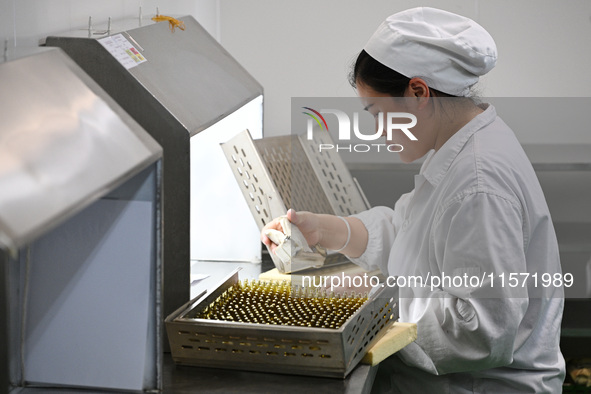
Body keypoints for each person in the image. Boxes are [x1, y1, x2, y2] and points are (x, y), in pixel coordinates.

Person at [262, 7, 565, 394]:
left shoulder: (478, 182)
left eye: (376, 112)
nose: (375, 130)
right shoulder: (461, 143)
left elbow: (481, 330)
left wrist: (371, 305)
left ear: (418, 92)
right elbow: (412, 235)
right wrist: (327, 230)